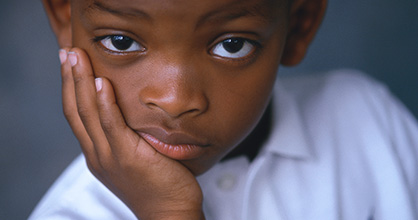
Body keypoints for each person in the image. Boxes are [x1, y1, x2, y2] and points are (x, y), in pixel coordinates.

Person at [30, 0, 418, 219]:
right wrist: (169, 212)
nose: (175, 100)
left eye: (232, 45)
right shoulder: (71, 213)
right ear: (65, 16)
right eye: (121, 40)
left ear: (298, 26)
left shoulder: (367, 121)